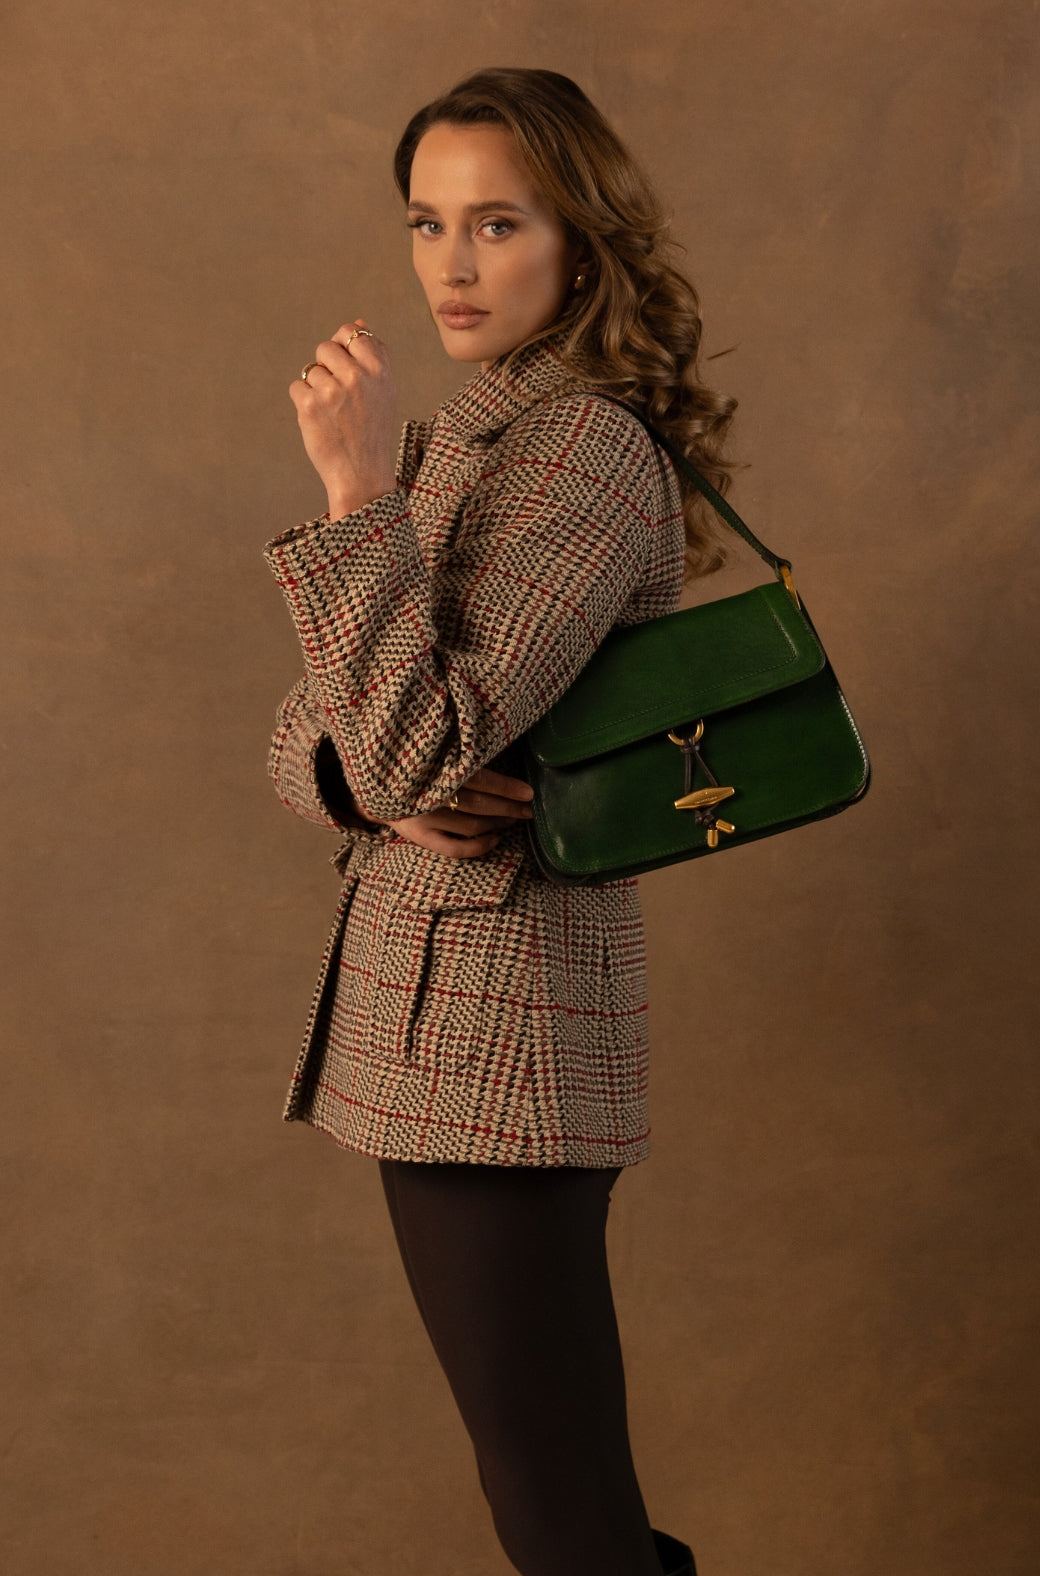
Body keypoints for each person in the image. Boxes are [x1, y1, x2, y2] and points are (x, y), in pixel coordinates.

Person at [265, 67, 735, 1576]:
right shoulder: (478, 441)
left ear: (581, 241)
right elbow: (318, 732)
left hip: (508, 1024)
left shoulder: (581, 454)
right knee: (556, 1493)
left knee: (561, 1511)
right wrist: (374, 781)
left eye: (499, 223)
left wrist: (354, 496)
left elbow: (406, 734)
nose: (452, 265)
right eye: (428, 223)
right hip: (444, 1023)